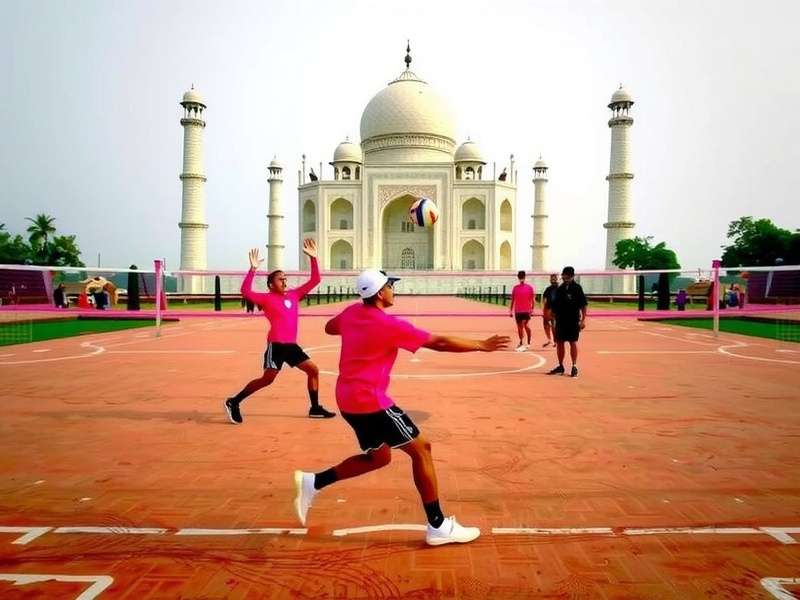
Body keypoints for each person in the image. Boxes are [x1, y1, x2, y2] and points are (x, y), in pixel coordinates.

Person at [292, 269, 509, 546]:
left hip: (347, 399)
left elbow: (330, 327)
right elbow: (438, 342)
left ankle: (314, 482)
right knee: (422, 449)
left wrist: (353, 319)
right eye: (390, 286)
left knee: (379, 458)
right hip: (370, 400)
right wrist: (481, 345)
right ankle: (438, 525)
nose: (394, 289)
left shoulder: (351, 313)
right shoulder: (389, 325)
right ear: (380, 293)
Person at [224, 239, 336, 423]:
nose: (284, 281)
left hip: (291, 346)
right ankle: (233, 402)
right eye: (280, 279)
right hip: (276, 345)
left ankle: (315, 408)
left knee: (313, 371)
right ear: (270, 284)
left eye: (285, 278)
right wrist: (253, 269)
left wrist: (314, 258)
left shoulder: (294, 295)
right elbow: (245, 291)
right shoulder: (266, 298)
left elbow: (315, 280)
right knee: (267, 379)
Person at [547, 266, 587, 378]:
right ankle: (560, 365)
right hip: (561, 320)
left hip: (573, 320)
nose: (565, 278)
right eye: (564, 276)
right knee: (560, 343)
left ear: (572, 276)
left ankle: (574, 365)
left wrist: (583, 320)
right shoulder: (560, 289)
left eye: (567, 276)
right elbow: (554, 306)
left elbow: (583, 305)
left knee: (572, 342)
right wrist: (552, 318)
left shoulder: (577, 288)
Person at [509, 270, 534, 351]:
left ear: (525, 277)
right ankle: (521, 342)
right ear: (518, 278)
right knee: (520, 327)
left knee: (526, 325)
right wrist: (510, 310)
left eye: (522, 277)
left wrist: (532, 310)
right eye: (520, 277)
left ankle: (529, 341)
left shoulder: (529, 288)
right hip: (518, 311)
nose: (521, 279)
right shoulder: (515, 288)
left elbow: (532, 300)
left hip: (526, 310)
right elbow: (513, 300)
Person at [540, 274, 559, 347]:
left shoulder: (560, 288)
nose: (553, 280)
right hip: (548, 308)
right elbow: (544, 299)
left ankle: (555, 340)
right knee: (546, 323)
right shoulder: (548, 289)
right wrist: (544, 309)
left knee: (554, 325)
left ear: (557, 279)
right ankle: (550, 339)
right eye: (552, 279)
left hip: (555, 309)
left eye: (554, 278)